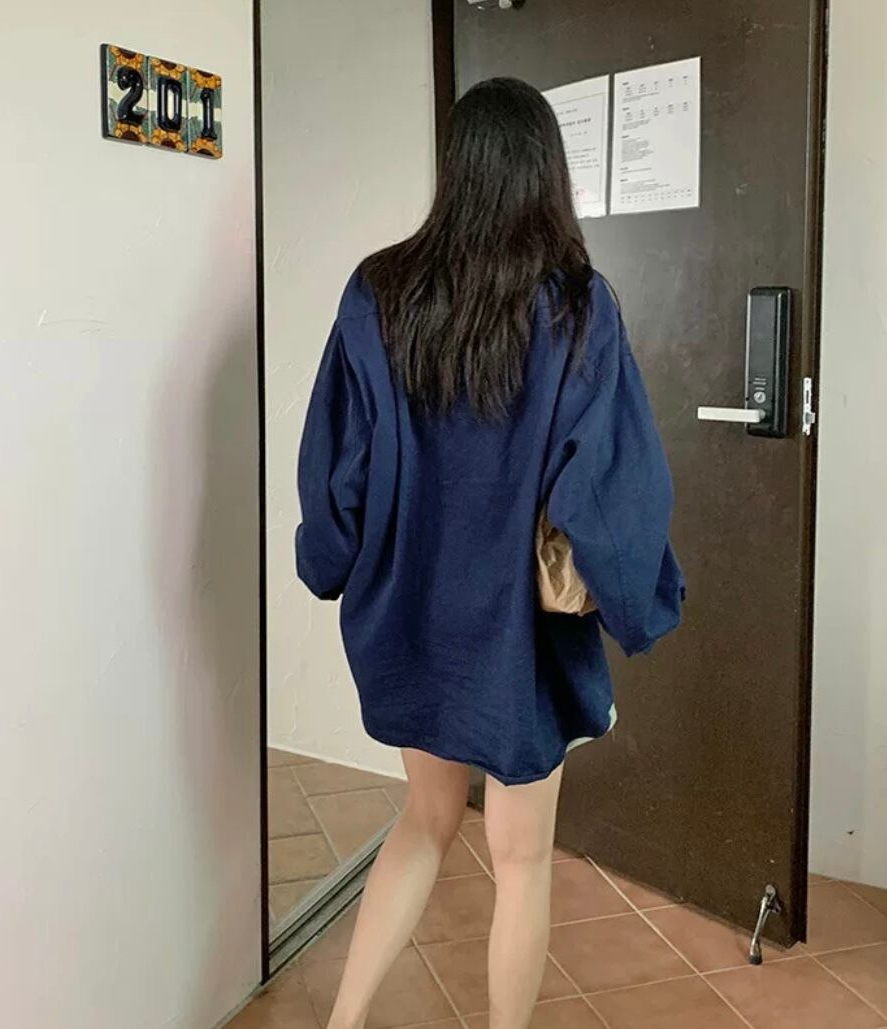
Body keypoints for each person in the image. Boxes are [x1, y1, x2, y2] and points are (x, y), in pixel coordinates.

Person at [295, 77, 684, 1029]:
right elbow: (607, 490)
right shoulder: (578, 307)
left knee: (423, 821)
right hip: (518, 644)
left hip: (411, 617)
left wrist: (329, 561)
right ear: (546, 171)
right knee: (520, 859)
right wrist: (642, 599)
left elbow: (335, 464)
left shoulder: (377, 292)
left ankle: (341, 1023)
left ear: (456, 168)